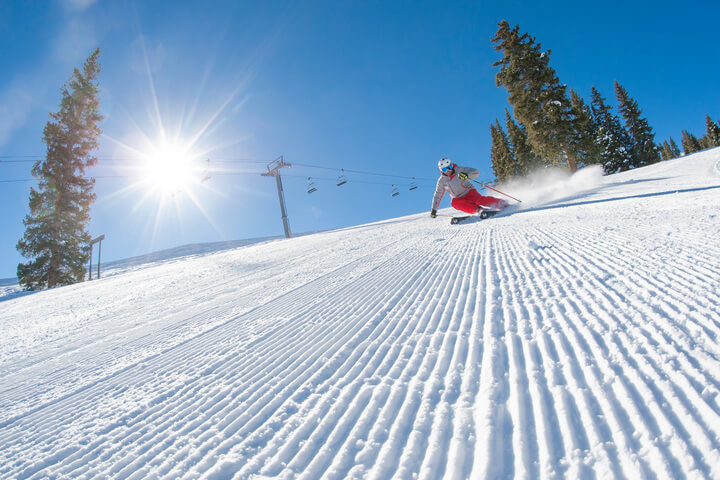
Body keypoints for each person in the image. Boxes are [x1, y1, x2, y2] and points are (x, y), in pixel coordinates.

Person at [430, 157, 507, 218]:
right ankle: (478, 210)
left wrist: (467, 175)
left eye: (449, 167)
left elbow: (476, 172)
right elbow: (438, 195)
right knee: (454, 203)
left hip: (469, 191)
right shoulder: (442, 181)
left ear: (452, 165)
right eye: (444, 169)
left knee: (478, 200)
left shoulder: (460, 170)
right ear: (441, 171)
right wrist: (434, 209)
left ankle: (501, 203)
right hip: (458, 197)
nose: (448, 171)